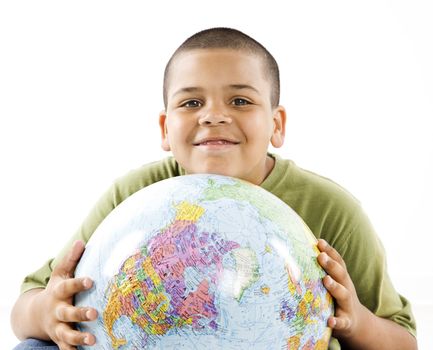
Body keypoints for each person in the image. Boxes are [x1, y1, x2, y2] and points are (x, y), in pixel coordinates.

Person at [11, 27, 417, 350]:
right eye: (190, 103)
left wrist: (356, 322)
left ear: (277, 125)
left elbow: (404, 342)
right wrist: (47, 312)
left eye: (240, 101)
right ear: (164, 128)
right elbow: (23, 310)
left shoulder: (331, 210)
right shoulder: (132, 198)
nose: (214, 116)